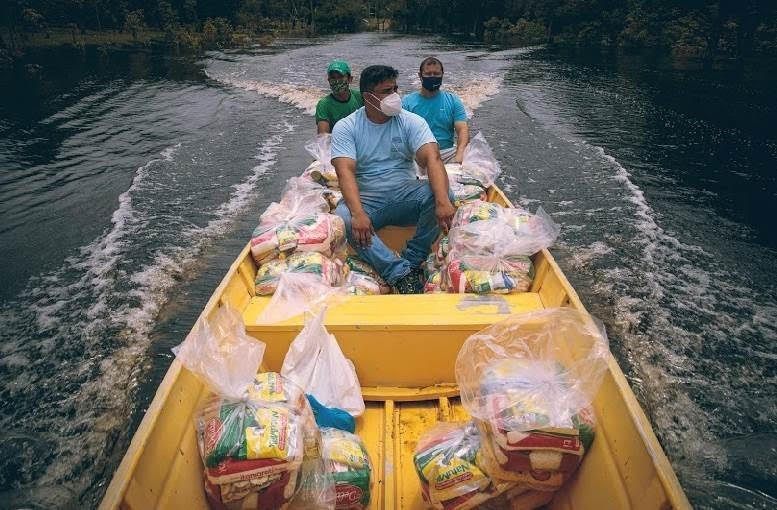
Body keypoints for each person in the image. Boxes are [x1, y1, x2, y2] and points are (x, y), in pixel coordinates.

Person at [331, 65, 456, 294]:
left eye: (395, 89)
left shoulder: (411, 121)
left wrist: (442, 203)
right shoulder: (347, 127)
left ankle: (414, 258)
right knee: (342, 219)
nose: (394, 96)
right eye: (387, 91)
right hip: (367, 199)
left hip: (404, 194)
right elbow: (344, 172)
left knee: (444, 194)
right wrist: (358, 214)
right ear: (368, 97)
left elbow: (433, 158)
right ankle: (399, 273)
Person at [402, 57, 469, 163]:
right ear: (420, 76)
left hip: (446, 154)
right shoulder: (407, 102)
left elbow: (462, 130)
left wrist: (460, 154)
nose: (432, 77)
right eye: (428, 74)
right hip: (417, 155)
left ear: (442, 74)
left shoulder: (453, 100)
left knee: (476, 160)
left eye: (436, 74)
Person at [315, 59, 363, 134]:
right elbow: (323, 137)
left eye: (340, 77)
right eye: (333, 78)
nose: (337, 81)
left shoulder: (360, 96)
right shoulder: (324, 104)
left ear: (350, 79)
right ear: (329, 80)